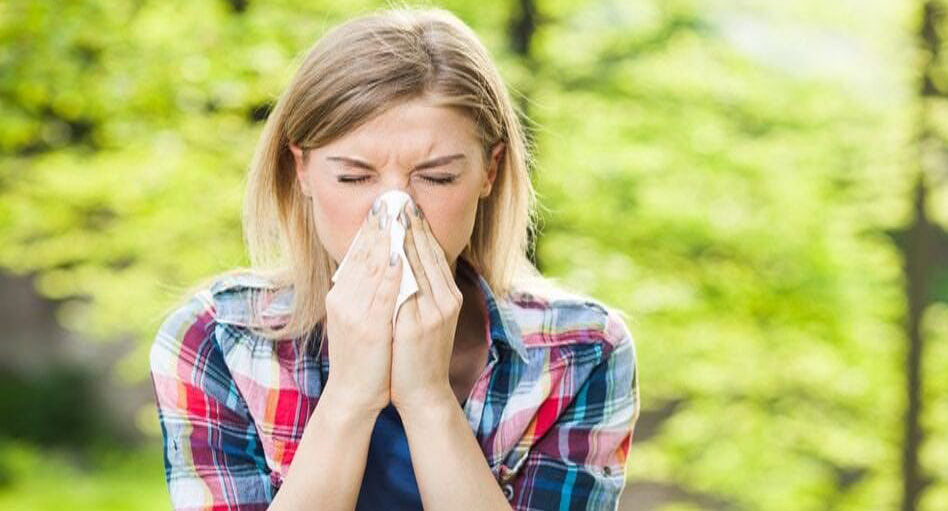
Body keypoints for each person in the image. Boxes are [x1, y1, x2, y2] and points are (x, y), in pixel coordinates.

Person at [148, 6, 640, 511]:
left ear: (489, 172)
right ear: (302, 170)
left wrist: (428, 399)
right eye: (354, 177)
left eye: (437, 176)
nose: (396, 213)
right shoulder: (216, 340)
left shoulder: (581, 350)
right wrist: (349, 398)